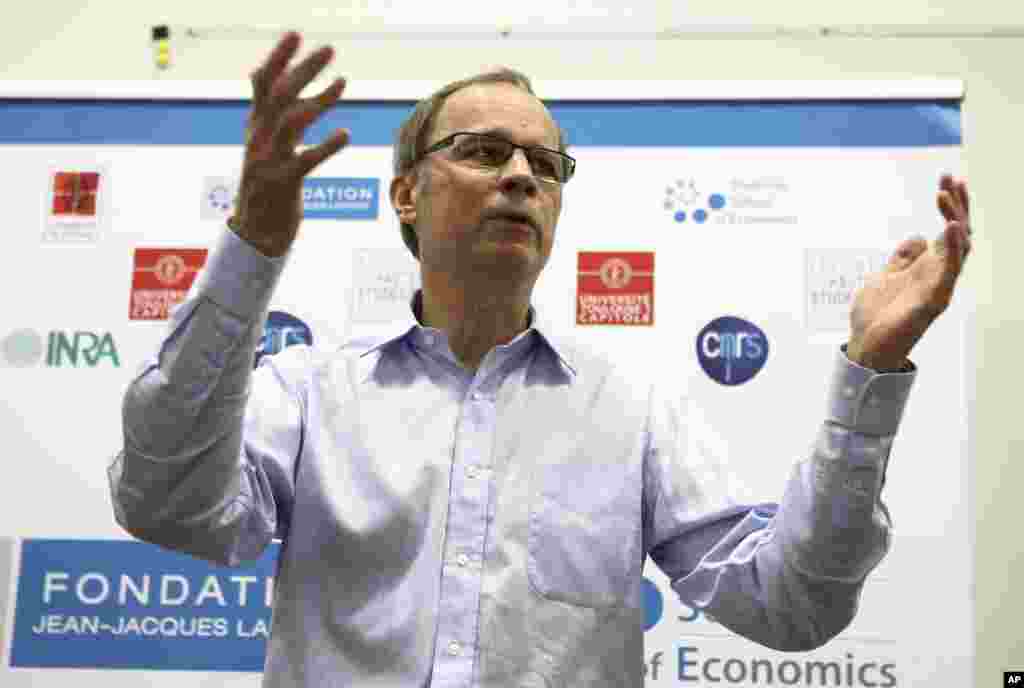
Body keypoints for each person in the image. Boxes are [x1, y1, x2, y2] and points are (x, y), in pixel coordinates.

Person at [108, 32, 973, 687]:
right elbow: (168, 505)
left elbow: (790, 604)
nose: (522, 175)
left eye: (546, 163)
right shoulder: (307, 393)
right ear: (407, 192)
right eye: (484, 152)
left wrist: (868, 373)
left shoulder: (630, 405)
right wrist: (251, 246)